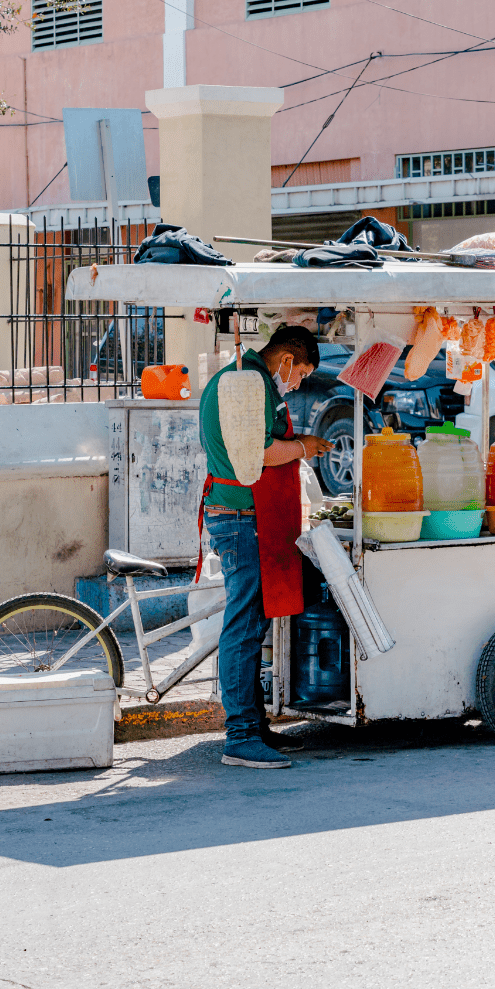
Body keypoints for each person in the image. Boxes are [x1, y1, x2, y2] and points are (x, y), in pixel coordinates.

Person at [198, 325, 333, 769]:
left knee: (253, 624)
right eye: (300, 375)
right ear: (288, 360)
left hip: (246, 515)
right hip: (239, 518)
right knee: (243, 624)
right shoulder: (249, 381)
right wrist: (303, 446)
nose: (296, 385)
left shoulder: (245, 379)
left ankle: (254, 727)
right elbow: (258, 453)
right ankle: (239, 737)